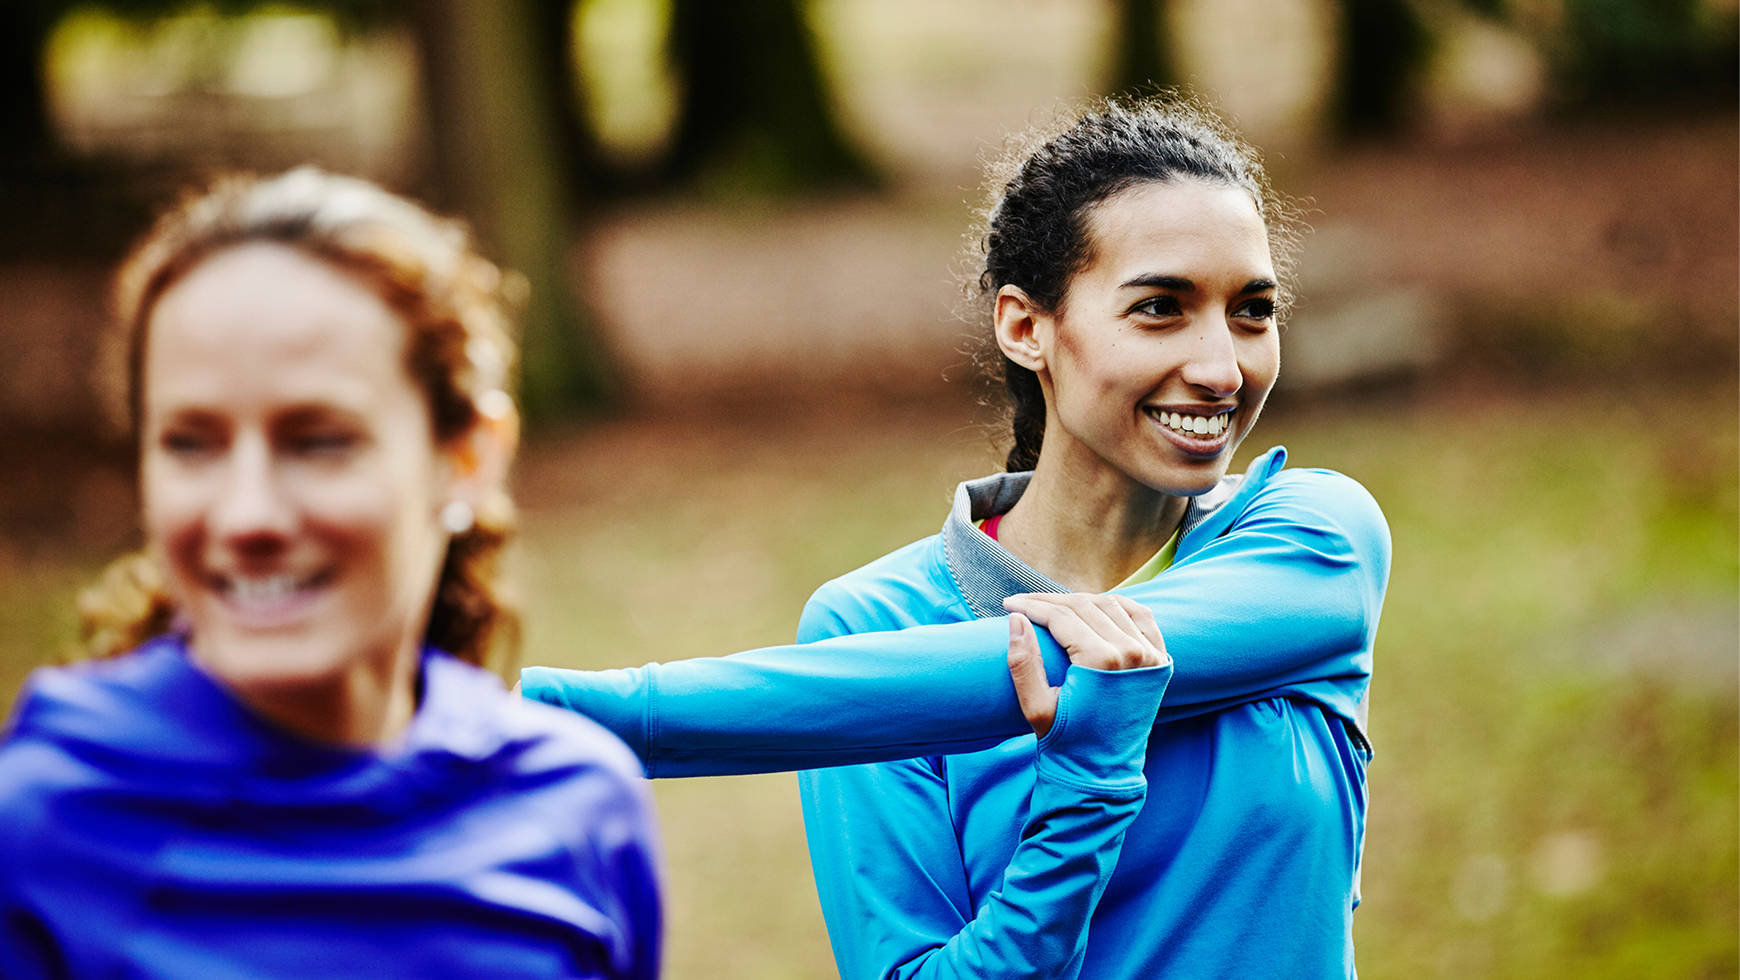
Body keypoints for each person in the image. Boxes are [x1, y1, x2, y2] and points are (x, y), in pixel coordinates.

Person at [519, 95, 1391, 979]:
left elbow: (1047, 664)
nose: (1221, 368)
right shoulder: (874, 624)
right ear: (1026, 327)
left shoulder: (1316, 541)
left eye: (1252, 311)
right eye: (1160, 307)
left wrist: (555, 710)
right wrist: (1082, 794)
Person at [0, 169, 661, 979]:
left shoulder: (578, 811)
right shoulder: (39, 832)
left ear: (467, 460)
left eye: (319, 441)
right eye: (190, 443)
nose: (247, 516)